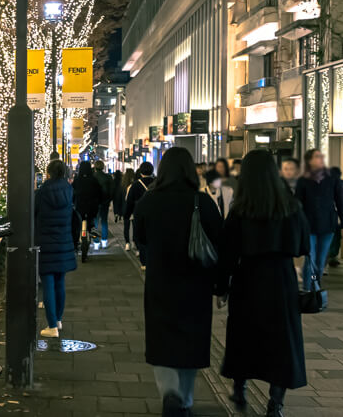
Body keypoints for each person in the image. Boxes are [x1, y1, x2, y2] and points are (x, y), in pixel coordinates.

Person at [217, 150, 308, 417]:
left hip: (249, 280)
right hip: (282, 281)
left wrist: (221, 287)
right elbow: (303, 245)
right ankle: (275, 402)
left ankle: (240, 386)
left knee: (244, 336)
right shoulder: (290, 206)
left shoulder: (241, 209)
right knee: (282, 341)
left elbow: (227, 253)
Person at [133, 147, 223, 417]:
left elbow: (141, 237)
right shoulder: (203, 202)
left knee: (162, 340)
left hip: (161, 282)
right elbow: (219, 241)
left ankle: (169, 392)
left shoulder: (149, 201)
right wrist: (221, 284)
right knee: (191, 342)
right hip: (196, 284)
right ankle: (185, 398)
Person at [294, 149, 343, 290]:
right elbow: (298, 203)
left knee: (320, 259)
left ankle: (315, 285)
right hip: (308, 225)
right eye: (317, 157)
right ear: (309, 160)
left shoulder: (332, 178)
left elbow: (340, 202)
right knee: (310, 259)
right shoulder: (303, 180)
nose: (320, 159)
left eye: (321, 156)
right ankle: (309, 288)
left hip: (327, 224)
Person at [34, 159, 76, 337]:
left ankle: (51, 327)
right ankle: (58, 320)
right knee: (60, 282)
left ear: (49, 172)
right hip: (64, 241)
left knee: (48, 283)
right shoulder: (69, 190)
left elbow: (34, 213)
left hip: (45, 242)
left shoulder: (42, 192)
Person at [73, 161, 104, 261]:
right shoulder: (93, 180)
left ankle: (76, 242)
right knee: (91, 221)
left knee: (77, 224)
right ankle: (92, 230)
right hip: (92, 207)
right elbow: (100, 193)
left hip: (79, 207)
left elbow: (72, 193)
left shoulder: (77, 180)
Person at [125, 162, 155, 259]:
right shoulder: (157, 183)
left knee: (140, 235)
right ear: (152, 171)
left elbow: (129, 202)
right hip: (155, 214)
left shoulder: (135, 185)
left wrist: (127, 214)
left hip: (139, 214)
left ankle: (143, 260)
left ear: (141, 172)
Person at [96, 167, 114, 247]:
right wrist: (109, 199)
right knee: (104, 221)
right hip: (105, 202)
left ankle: (96, 242)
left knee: (95, 222)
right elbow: (112, 189)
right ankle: (104, 241)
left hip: (95, 202)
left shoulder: (93, 176)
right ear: (103, 167)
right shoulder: (108, 177)